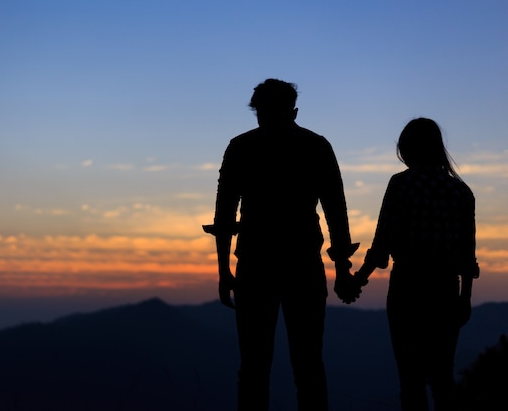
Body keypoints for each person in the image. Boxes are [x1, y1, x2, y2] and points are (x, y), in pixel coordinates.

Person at [203, 78, 360, 411]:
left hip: (256, 265)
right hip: (302, 264)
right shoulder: (316, 146)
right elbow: (336, 210)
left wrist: (223, 271)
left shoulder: (241, 147)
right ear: (294, 110)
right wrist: (343, 271)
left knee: (254, 367)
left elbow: (225, 215)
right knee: (308, 366)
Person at [352, 117, 479, 411]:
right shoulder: (461, 192)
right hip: (447, 289)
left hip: (408, 287)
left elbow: (381, 242)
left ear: (407, 149)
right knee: (442, 377)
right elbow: (466, 255)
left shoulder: (401, 184)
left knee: (411, 380)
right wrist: (466, 298)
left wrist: (359, 279)